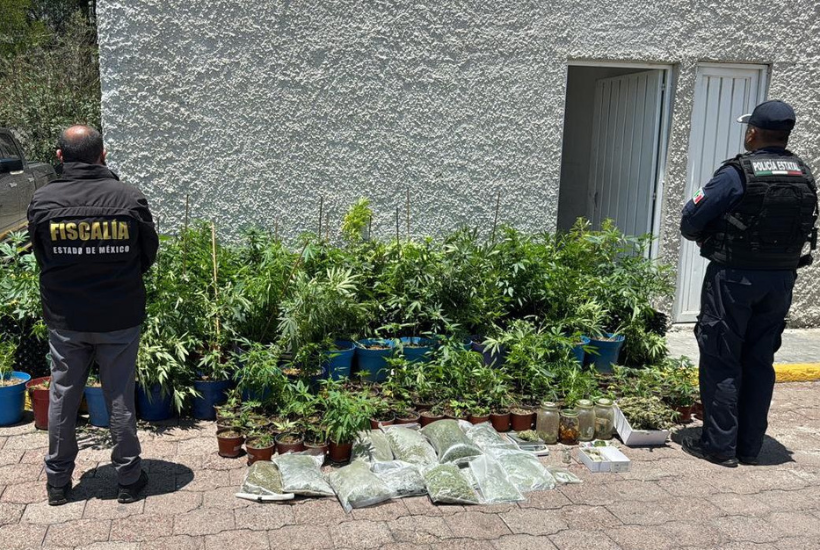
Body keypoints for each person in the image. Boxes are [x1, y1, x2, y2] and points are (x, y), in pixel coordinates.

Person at [679, 100, 818, 467]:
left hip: (734, 279)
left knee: (722, 357)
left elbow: (692, 219)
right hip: (781, 281)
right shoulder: (803, 173)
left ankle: (720, 447)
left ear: (753, 132)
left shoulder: (738, 172)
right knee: (759, 360)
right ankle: (750, 447)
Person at [27, 125, 159, 504]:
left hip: (66, 318)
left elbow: (42, 256)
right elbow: (146, 256)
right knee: (119, 395)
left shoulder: (43, 201)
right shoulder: (129, 199)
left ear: (59, 157)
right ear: (103, 155)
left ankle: (57, 484)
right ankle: (129, 480)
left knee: (64, 395)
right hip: (119, 315)